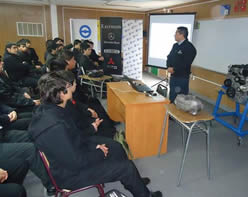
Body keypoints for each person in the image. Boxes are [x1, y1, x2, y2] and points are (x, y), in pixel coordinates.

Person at [29, 72, 162, 197]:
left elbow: (73, 139)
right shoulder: (54, 127)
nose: (72, 87)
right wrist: (98, 152)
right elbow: (76, 162)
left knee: (116, 146)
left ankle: (133, 180)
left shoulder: (53, 110)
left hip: (76, 152)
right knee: (126, 168)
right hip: (71, 174)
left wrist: (95, 142)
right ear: (61, 94)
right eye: (68, 86)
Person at [167, 26, 197, 102]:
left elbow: (186, 63)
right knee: (172, 96)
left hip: (182, 78)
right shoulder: (175, 45)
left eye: (176, 33)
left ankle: (179, 113)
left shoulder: (189, 47)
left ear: (181, 35)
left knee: (181, 99)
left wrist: (174, 69)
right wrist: (169, 66)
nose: (174, 35)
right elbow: (169, 57)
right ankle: (171, 113)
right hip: (173, 76)